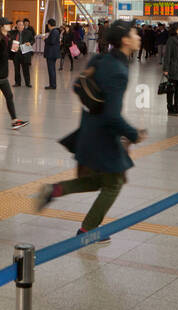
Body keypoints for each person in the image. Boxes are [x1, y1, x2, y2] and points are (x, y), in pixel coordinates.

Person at [35, 21, 146, 241]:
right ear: (125, 40)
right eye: (134, 33)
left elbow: (80, 86)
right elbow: (112, 115)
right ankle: (87, 231)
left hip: (88, 129)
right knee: (113, 184)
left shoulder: (101, 59)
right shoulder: (119, 71)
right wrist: (134, 134)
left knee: (101, 181)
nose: (138, 36)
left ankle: (55, 190)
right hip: (104, 136)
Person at [160, 20, 178, 116]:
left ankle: (177, 108)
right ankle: (170, 109)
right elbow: (167, 55)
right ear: (176, 30)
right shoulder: (171, 40)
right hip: (174, 67)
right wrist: (165, 69)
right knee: (171, 90)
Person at [14, 18, 35, 87]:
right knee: (16, 69)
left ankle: (27, 83)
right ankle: (17, 82)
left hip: (25, 52)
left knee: (25, 68)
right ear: (16, 25)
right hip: (16, 52)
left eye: (22, 25)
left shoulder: (28, 32)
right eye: (19, 25)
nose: (21, 26)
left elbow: (33, 40)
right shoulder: (13, 32)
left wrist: (30, 43)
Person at [42, 18, 61, 89]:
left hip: (51, 54)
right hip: (53, 53)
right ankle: (52, 84)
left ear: (49, 25)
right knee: (51, 69)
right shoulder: (55, 31)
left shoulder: (54, 31)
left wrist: (45, 39)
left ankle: (53, 85)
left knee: (51, 70)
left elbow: (52, 42)